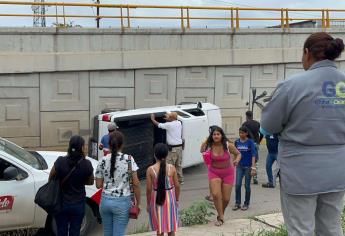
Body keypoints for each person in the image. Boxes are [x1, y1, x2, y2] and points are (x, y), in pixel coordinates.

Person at [261, 32, 345, 236]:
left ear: (307, 53)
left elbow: (269, 126)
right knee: (331, 226)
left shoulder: (291, 86)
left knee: (300, 229)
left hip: (300, 173)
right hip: (338, 170)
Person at [95, 131, 141, 236]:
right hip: (122, 202)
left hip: (105, 201)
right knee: (119, 233)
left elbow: (98, 185)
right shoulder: (129, 159)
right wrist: (138, 203)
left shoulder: (102, 160)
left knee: (107, 233)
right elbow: (136, 184)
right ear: (122, 144)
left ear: (109, 144)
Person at [49, 135, 94, 236]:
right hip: (78, 204)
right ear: (82, 148)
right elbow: (91, 182)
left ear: (69, 147)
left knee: (61, 231)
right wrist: (80, 181)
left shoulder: (60, 161)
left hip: (61, 203)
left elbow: (51, 177)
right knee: (75, 231)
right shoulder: (87, 164)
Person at [201, 126, 241, 226]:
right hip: (214, 172)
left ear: (222, 135)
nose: (216, 136)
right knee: (215, 194)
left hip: (228, 173)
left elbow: (238, 154)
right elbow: (201, 150)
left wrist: (236, 160)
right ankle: (221, 216)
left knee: (226, 199)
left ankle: (221, 214)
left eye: (218, 134)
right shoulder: (209, 145)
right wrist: (207, 139)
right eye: (214, 134)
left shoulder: (228, 145)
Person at [146, 143, 180, 236]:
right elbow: (177, 186)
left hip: (156, 199)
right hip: (170, 199)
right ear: (166, 154)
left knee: (159, 229)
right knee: (171, 228)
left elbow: (148, 190)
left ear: (154, 154)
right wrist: (176, 200)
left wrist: (148, 204)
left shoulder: (150, 169)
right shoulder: (171, 168)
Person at [151, 112, 184, 184]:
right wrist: (168, 117)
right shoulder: (179, 123)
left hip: (173, 149)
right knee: (178, 165)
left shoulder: (169, 125)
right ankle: (180, 180)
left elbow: (158, 125)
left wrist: (153, 119)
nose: (167, 117)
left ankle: (169, 181)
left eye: (168, 117)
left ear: (171, 118)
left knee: (169, 165)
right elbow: (172, 118)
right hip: (179, 147)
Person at [233, 126, 256, 211]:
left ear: (246, 133)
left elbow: (253, 155)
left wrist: (253, 167)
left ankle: (246, 203)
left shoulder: (250, 142)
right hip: (239, 166)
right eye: (240, 133)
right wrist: (234, 161)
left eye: (242, 133)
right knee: (238, 185)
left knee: (247, 186)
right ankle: (237, 203)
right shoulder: (237, 142)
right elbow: (235, 153)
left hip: (248, 167)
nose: (240, 134)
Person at [242, 111, 262, 185]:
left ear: (246, 116)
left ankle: (246, 177)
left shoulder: (244, 124)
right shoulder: (257, 124)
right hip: (256, 143)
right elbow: (261, 133)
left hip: (248, 144)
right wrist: (258, 141)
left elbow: (243, 135)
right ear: (252, 116)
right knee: (255, 160)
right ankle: (255, 178)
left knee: (247, 160)